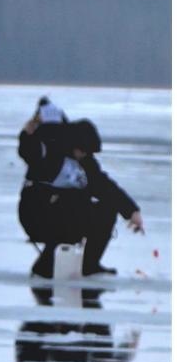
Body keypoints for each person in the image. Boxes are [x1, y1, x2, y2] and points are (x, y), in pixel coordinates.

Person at [18, 116, 145, 277]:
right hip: (36, 214)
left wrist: (132, 212)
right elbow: (29, 151)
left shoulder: (87, 164)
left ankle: (89, 265)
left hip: (67, 216)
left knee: (105, 210)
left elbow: (106, 188)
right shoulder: (50, 154)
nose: (85, 154)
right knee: (72, 206)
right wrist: (26, 134)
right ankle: (45, 265)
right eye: (83, 150)